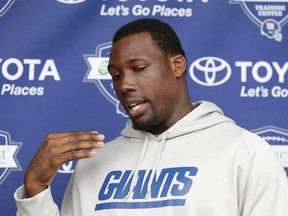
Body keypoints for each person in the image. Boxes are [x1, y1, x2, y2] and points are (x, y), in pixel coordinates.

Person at [14, 18, 288, 216]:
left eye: (139, 68)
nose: (124, 85)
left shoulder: (245, 152)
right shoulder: (92, 164)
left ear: (176, 65)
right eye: (116, 75)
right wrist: (35, 191)